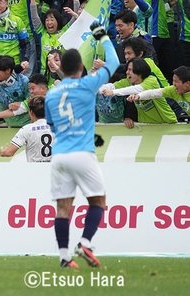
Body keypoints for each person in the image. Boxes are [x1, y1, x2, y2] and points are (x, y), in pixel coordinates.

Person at [44, 21, 119, 269]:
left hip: (59, 156)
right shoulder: (88, 84)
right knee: (98, 202)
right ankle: (85, 242)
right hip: (82, 154)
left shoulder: (52, 94)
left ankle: (64, 257)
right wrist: (102, 36)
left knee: (63, 208)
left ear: (62, 69)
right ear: (80, 68)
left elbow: (53, 127)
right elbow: (114, 63)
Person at [0, 96, 52, 162]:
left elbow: (8, 152)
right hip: (54, 169)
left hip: (34, 170)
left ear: (31, 112)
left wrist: (2, 151)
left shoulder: (26, 129)